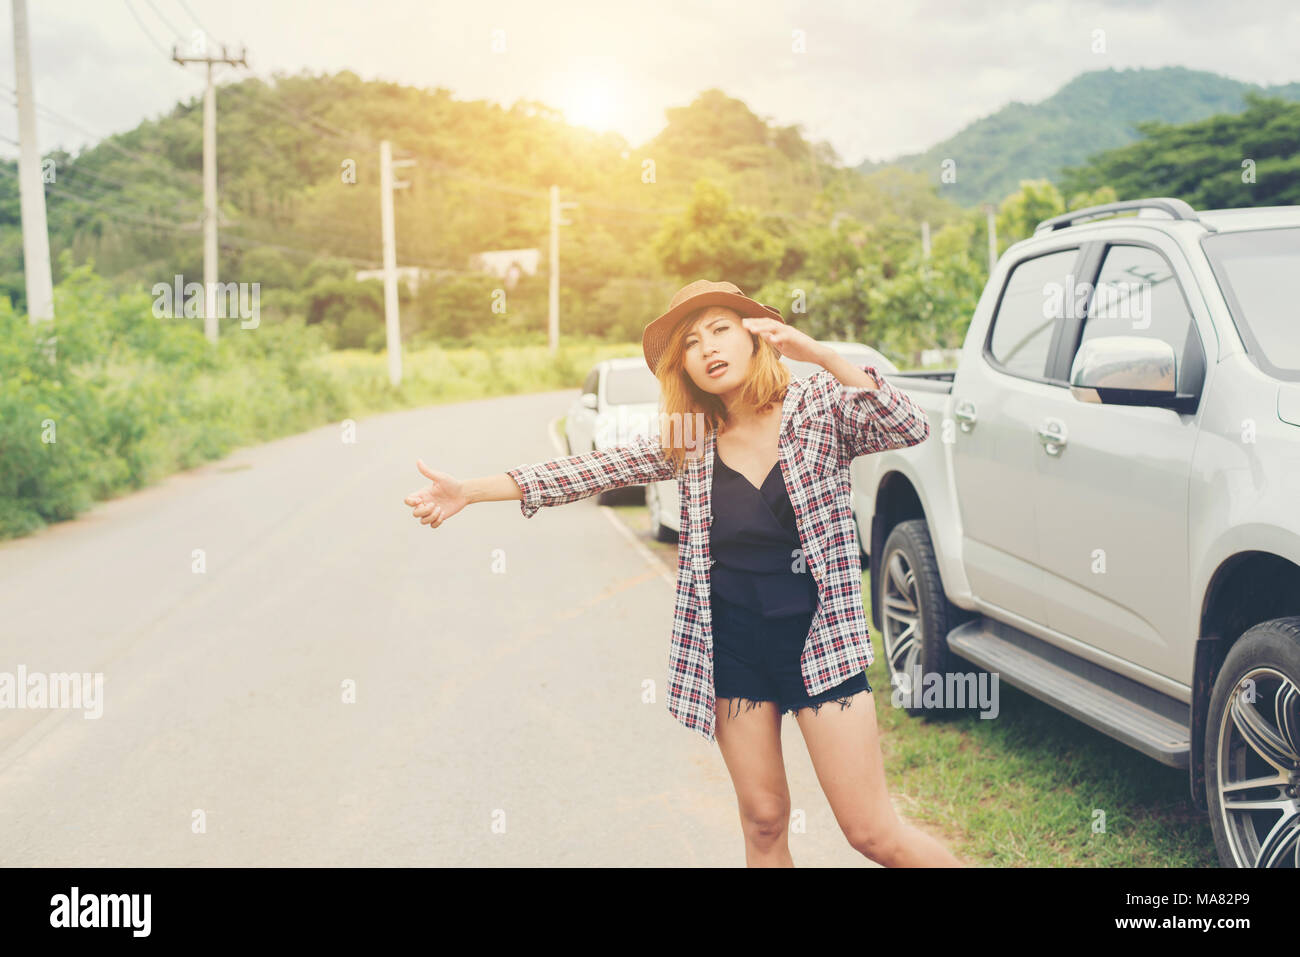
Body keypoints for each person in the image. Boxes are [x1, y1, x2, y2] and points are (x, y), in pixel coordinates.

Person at [404, 279, 964, 867]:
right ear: (685, 368)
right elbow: (589, 469)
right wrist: (470, 490)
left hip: (821, 646)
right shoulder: (691, 439)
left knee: (871, 834)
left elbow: (908, 425)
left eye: (721, 329)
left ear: (755, 337)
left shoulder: (817, 405)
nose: (708, 348)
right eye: (691, 342)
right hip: (733, 655)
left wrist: (820, 353)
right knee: (765, 824)